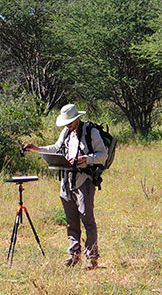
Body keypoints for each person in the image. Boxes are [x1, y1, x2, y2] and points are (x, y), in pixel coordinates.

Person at [23, 104, 108, 269]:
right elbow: (56, 148)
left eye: (70, 122)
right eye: (66, 123)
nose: (68, 125)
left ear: (77, 118)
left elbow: (102, 155)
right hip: (67, 180)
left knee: (87, 219)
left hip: (84, 180)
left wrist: (86, 158)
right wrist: (37, 149)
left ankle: (91, 257)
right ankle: (74, 255)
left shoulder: (91, 132)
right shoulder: (66, 132)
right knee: (71, 221)